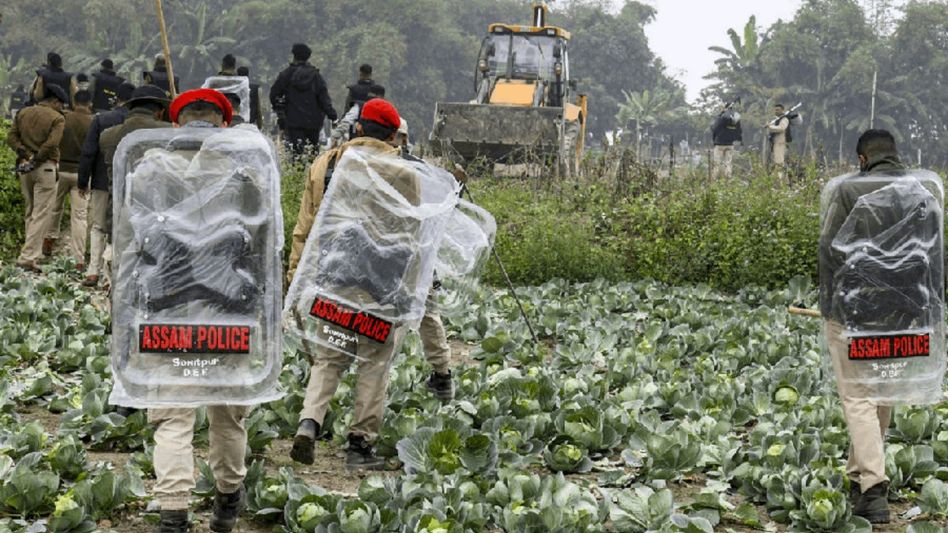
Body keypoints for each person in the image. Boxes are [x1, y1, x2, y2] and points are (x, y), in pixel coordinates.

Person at [146, 88, 250, 533]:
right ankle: (228, 499)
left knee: (172, 413)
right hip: (227, 314)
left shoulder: (148, 170)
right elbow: (259, 247)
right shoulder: (244, 173)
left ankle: (174, 511)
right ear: (223, 124)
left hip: (167, 313)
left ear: (177, 123)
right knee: (227, 412)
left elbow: (136, 246)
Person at [286, 98, 405, 469]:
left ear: (357, 128)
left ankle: (309, 423)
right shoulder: (403, 171)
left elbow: (305, 225)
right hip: (378, 288)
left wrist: (295, 275)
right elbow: (411, 235)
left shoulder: (325, 163)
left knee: (329, 357)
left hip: (331, 280)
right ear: (392, 136)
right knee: (373, 363)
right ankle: (359, 446)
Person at [818, 129, 929, 524]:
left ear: (862, 159)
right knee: (880, 393)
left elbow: (830, 249)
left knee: (858, 397)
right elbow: (929, 257)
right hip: (903, 317)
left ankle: (873, 487)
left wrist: (832, 305)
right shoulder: (921, 192)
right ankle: (858, 473)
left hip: (855, 315)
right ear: (894, 155)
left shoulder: (849, 191)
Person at [395, 118, 455, 401]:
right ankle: (442, 375)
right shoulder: (421, 169)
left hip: (406, 255)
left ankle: (442, 375)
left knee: (410, 315)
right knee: (426, 315)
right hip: (417, 254)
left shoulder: (390, 169)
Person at [92, 86, 170, 288]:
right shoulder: (167, 133)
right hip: (156, 216)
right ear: (159, 110)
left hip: (118, 214)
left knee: (122, 275)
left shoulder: (108, 136)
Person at [78, 82, 135, 287]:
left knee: (98, 227)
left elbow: (88, 152)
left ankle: (93, 271)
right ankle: (115, 274)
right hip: (129, 185)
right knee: (121, 228)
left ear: (115, 99)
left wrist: (83, 181)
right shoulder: (135, 122)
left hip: (101, 182)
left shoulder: (101, 119)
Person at [5, 85, 68, 272]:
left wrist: (24, 153)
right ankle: (28, 257)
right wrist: (37, 158)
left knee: (30, 210)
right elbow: (52, 143)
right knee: (41, 213)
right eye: (60, 104)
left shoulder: (23, 112)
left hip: (24, 166)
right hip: (45, 167)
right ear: (55, 101)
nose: (61, 107)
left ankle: (31, 253)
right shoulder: (57, 118)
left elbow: (11, 137)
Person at [47, 90, 93, 268]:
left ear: (74, 101)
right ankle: (78, 259)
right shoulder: (93, 122)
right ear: (89, 103)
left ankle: (48, 243)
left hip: (61, 170)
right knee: (80, 216)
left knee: (54, 208)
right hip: (81, 174)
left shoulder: (63, 118)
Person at [269, 43, 337, 159]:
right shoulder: (316, 76)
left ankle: (297, 175)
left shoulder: (285, 75)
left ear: (293, 55)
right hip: (314, 122)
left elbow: (273, 95)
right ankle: (312, 175)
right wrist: (333, 115)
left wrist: (280, 111)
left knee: (296, 155)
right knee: (312, 155)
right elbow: (324, 98)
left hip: (293, 121)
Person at [329, 84, 385, 148]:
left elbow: (346, 122)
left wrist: (335, 135)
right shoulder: (386, 110)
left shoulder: (359, 107)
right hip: (377, 147)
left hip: (359, 146)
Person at [711, 104, 742, 179]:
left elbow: (714, 128)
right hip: (730, 144)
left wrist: (720, 114)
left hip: (719, 144)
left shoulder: (722, 117)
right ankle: (728, 179)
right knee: (728, 163)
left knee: (717, 163)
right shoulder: (735, 118)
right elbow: (738, 130)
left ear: (725, 108)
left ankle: (715, 179)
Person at [767, 103, 790, 177]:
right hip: (776, 143)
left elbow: (781, 128)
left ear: (782, 110)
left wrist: (770, 127)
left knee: (779, 162)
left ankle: (781, 179)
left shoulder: (784, 119)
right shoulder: (777, 120)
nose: (776, 111)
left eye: (778, 110)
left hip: (780, 143)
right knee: (776, 161)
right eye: (775, 110)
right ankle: (777, 178)